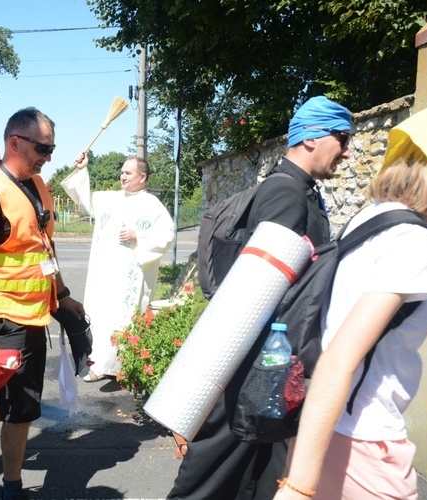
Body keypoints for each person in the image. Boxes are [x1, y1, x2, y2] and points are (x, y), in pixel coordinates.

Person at [168, 96, 353, 500]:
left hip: (266, 361)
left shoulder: (295, 190)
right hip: (264, 363)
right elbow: (264, 289)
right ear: (310, 138)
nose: (348, 149)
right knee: (218, 472)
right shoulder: (287, 195)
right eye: (342, 137)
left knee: (245, 471)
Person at [274, 102, 427, 500]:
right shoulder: (413, 239)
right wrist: (298, 487)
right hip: (365, 438)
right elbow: (341, 357)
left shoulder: (372, 217)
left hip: (324, 426)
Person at [0, 107, 85, 500]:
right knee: (22, 406)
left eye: (52, 148)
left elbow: (44, 244)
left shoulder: (39, 185)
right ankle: (13, 488)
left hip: (33, 311)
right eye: (43, 147)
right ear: (15, 142)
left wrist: (62, 294)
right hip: (3, 317)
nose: (48, 156)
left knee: (18, 396)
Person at [60, 152, 174, 382]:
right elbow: (85, 199)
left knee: (126, 318)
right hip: (105, 274)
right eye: (121, 172)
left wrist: (137, 235)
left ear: (142, 177)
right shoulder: (110, 199)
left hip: (130, 277)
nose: (122, 176)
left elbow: (166, 235)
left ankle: (127, 367)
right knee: (102, 317)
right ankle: (99, 366)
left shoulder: (152, 205)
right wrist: (83, 170)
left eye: (128, 173)